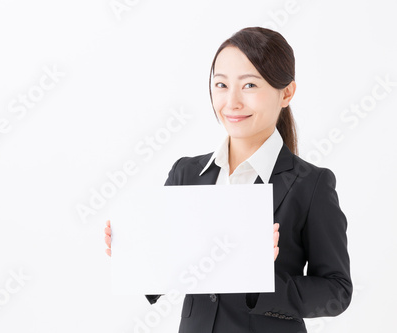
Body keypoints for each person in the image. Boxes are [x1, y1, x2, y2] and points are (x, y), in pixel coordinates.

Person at [104, 27, 352, 333]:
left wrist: (259, 278)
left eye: (249, 85)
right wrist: (134, 250)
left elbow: (337, 291)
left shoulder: (310, 184)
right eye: (221, 84)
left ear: (286, 93)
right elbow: (162, 273)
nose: (231, 102)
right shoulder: (187, 173)